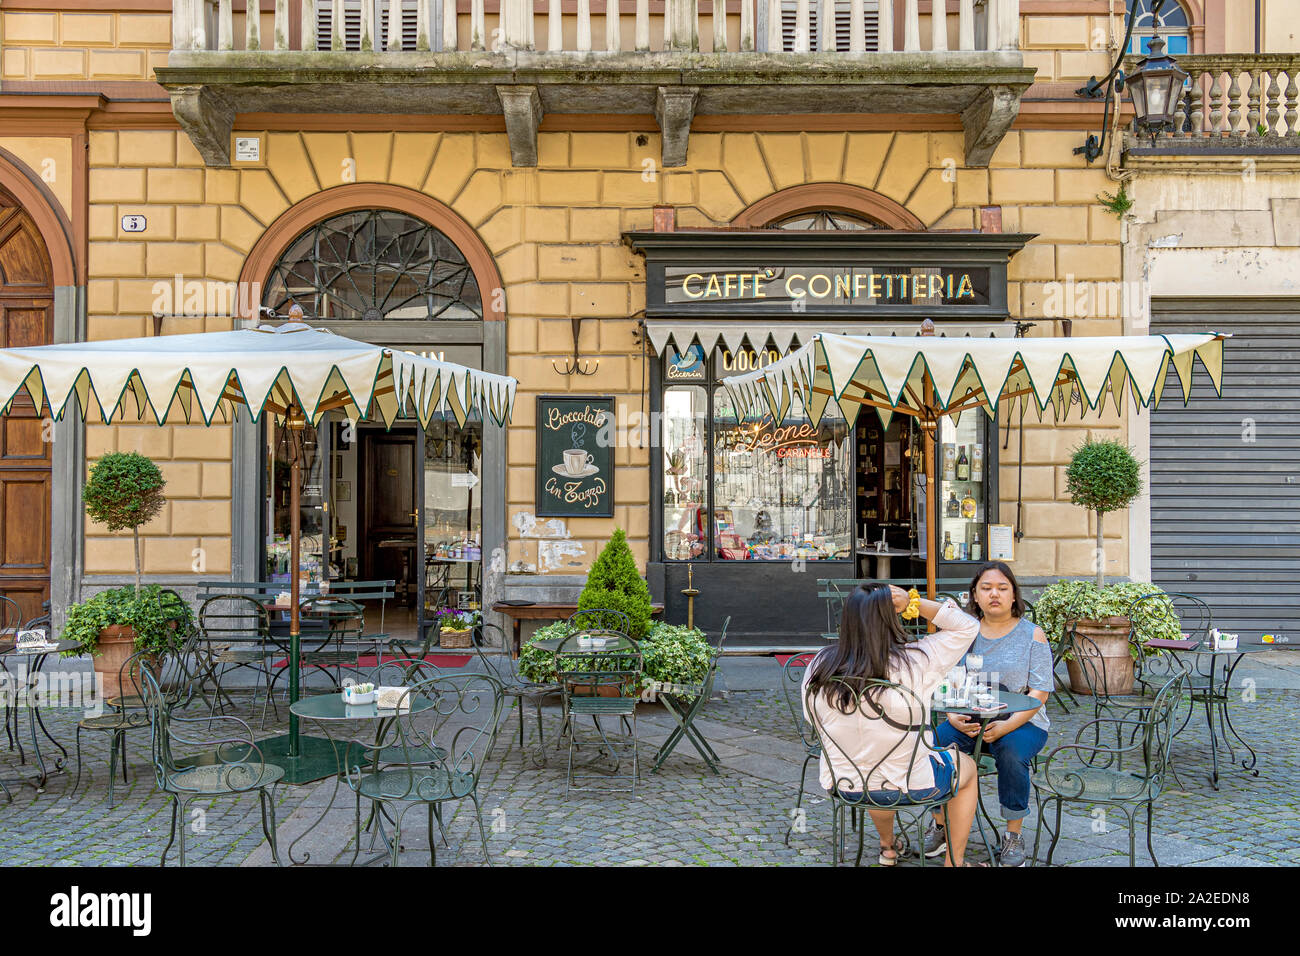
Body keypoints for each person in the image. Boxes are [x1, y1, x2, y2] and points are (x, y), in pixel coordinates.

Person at [802, 584, 982, 866]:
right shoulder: (918, 659)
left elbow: (811, 718)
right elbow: (967, 627)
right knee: (967, 767)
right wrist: (915, 601)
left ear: (846, 620)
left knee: (874, 759)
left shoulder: (820, 664)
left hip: (845, 782)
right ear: (891, 618)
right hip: (911, 783)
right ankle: (954, 862)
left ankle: (888, 846)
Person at [924, 561, 1053, 867]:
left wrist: (1007, 725)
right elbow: (949, 682)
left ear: (1013, 595)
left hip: (1023, 721)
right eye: (986, 588)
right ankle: (941, 824)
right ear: (975, 595)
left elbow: (1039, 692)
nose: (994, 593)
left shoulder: (1033, 635)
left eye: (1002, 588)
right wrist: (952, 717)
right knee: (933, 746)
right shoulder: (964, 632)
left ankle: (1012, 835)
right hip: (967, 719)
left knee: (1010, 753)